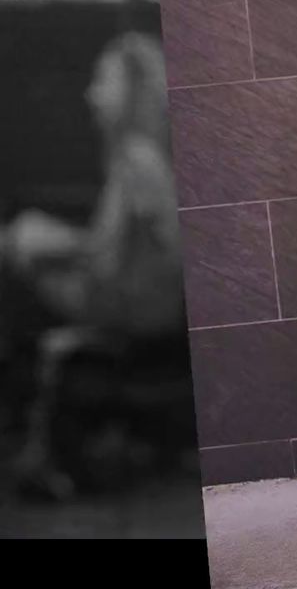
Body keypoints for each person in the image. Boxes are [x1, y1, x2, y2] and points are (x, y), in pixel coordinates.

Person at [0, 32, 187, 498]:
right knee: (24, 240)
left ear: (131, 88)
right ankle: (42, 442)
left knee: (18, 249)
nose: (92, 93)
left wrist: (52, 245)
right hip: (132, 296)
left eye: (103, 81)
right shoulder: (139, 156)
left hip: (137, 307)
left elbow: (158, 245)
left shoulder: (138, 159)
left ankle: (40, 445)